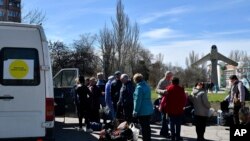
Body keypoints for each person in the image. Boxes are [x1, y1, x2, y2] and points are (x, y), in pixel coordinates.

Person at [133, 73, 153, 141]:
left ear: (135, 80)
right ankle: (148, 138)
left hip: (142, 110)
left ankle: (145, 139)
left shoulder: (139, 88)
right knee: (147, 126)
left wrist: (135, 111)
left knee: (143, 126)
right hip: (149, 108)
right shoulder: (147, 86)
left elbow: (137, 100)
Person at [155, 71, 173, 138]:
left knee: (167, 118)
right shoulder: (162, 81)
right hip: (162, 100)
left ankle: (164, 131)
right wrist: (163, 91)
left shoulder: (170, 81)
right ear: (165, 75)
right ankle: (164, 132)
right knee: (164, 117)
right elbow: (156, 90)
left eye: (170, 76)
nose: (170, 77)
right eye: (168, 76)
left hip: (168, 100)